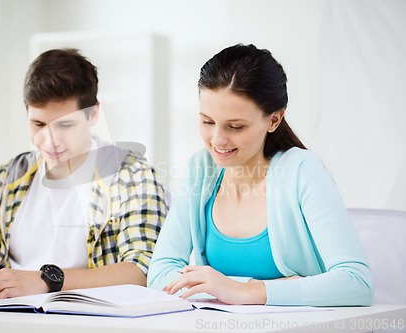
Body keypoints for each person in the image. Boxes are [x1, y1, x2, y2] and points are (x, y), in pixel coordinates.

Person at [0, 48, 168, 301]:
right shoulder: (6, 178)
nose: (50, 140)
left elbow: (141, 270)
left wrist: (46, 280)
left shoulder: (133, 175)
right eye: (38, 124)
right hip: (11, 318)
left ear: (93, 114)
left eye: (65, 125)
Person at [147, 44, 373, 306]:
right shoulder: (201, 169)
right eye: (208, 122)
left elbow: (358, 283)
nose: (217, 140)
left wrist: (245, 291)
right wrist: (241, 288)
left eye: (235, 126)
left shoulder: (302, 170)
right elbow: (159, 273)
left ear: (274, 120)